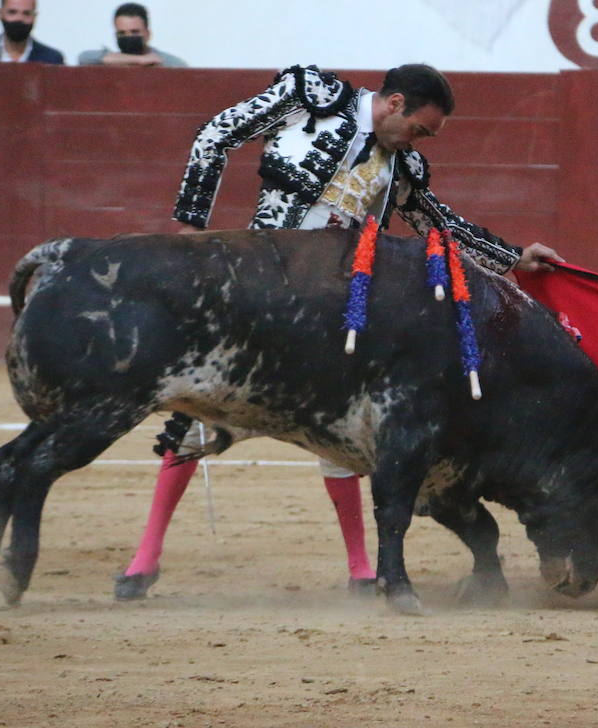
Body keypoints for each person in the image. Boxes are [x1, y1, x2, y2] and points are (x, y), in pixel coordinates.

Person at [114, 62, 562, 601]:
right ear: (393, 103)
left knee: (344, 435)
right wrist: (190, 226)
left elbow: (437, 226)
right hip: (261, 292)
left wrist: (513, 258)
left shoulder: (402, 166)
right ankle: (145, 558)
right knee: (195, 418)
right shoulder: (310, 97)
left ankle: (359, 568)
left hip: (332, 310)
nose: (419, 142)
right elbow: (217, 134)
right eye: (419, 128)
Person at [77, 3, 188, 68]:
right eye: (122, 33)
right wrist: (140, 60)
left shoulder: (168, 63)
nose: (128, 37)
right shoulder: (109, 60)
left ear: (148, 34)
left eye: (134, 32)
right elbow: (84, 58)